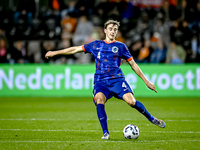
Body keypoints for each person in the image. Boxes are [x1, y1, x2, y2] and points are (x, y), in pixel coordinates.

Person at [45, 20, 166, 140]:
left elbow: (133, 64)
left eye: (115, 30)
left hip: (117, 80)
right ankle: (105, 133)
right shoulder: (95, 45)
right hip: (101, 81)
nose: (113, 31)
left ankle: (152, 119)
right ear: (105, 31)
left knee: (131, 102)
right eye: (110, 29)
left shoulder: (121, 46)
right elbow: (75, 49)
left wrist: (146, 81)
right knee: (99, 100)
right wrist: (55, 52)